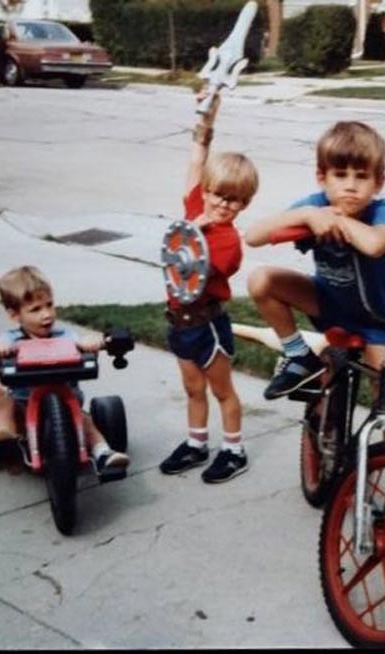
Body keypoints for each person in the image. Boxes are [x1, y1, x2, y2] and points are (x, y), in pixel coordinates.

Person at [244, 121, 385, 432]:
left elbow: (375, 245)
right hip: (327, 305)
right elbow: (252, 236)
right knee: (260, 279)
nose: (350, 186)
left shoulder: (384, 213)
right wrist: (307, 216)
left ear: (379, 182)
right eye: (340, 175)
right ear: (322, 177)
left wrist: (340, 220)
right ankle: (298, 355)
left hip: (375, 321)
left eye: (362, 177)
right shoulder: (315, 206)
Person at [157, 88, 259, 484]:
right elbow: (197, 156)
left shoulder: (229, 242)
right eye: (217, 194)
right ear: (206, 191)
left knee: (222, 391)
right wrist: (206, 121)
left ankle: (234, 449)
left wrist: (193, 232)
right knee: (192, 388)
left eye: (234, 200)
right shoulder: (194, 210)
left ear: (244, 204)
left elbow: (198, 273)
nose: (222, 204)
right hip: (179, 323)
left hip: (207, 325)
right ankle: (196, 443)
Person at [0, 265, 130, 473]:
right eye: (35, 309)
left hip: (66, 400)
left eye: (49, 305)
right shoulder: (10, 340)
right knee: (2, 402)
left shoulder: (65, 336)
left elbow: (82, 347)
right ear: (14, 315)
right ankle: (5, 435)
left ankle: (102, 452)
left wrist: (90, 343)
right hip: (23, 402)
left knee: (85, 420)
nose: (46, 314)